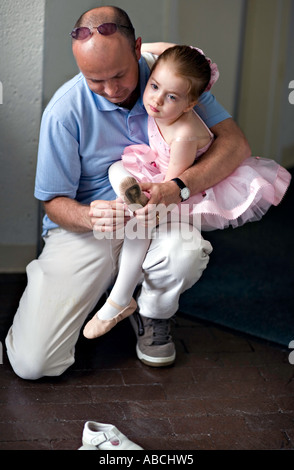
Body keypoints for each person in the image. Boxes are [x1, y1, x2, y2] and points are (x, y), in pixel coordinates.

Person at [5, 6, 251, 380]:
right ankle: (102, 296)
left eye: (119, 75)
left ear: (137, 49)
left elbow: (235, 145)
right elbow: (53, 203)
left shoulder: (169, 78)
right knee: (32, 364)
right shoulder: (63, 111)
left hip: (159, 217)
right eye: (95, 81)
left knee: (184, 252)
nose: (111, 90)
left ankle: (151, 312)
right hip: (90, 227)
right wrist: (90, 217)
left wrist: (178, 187)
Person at [83, 44, 291, 342]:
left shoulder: (184, 133)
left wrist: (146, 207)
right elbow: (147, 51)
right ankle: (129, 193)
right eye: (154, 85)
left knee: (141, 222)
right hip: (154, 165)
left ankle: (120, 299)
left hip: (178, 187)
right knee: (116, 169)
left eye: (171, 97)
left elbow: (169, 192)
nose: (155, 100)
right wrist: (142, 49)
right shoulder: (162, 87)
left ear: (191, 104)